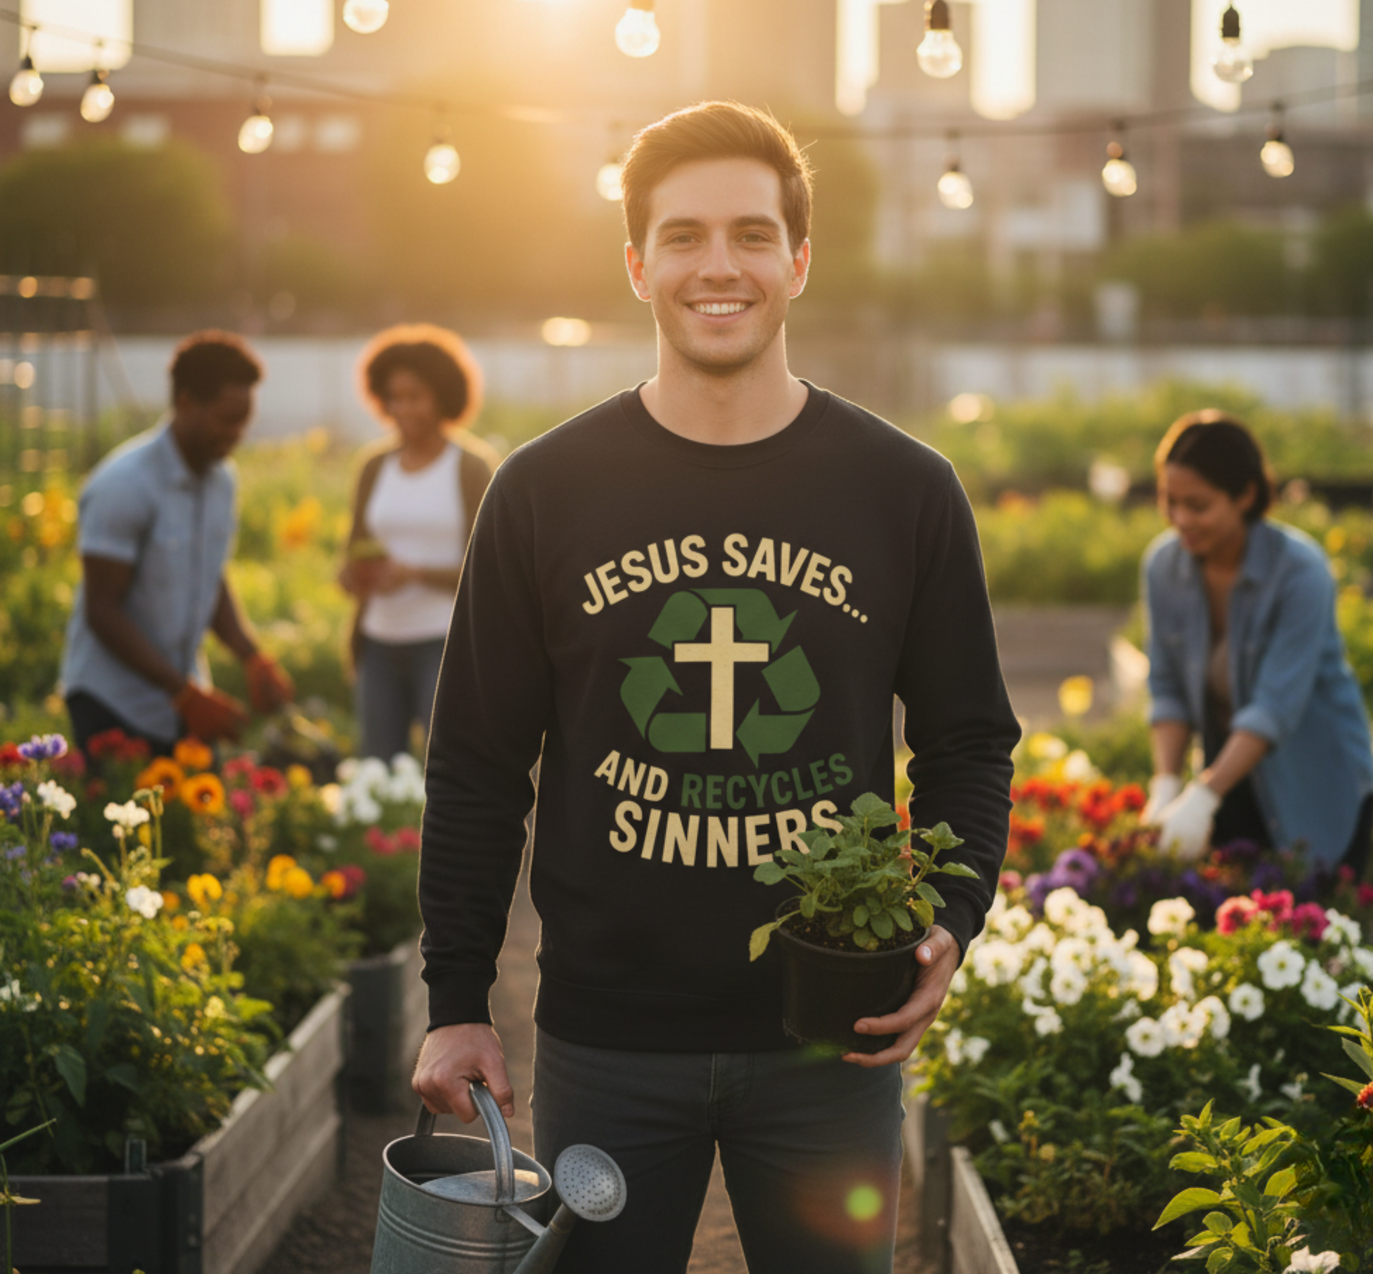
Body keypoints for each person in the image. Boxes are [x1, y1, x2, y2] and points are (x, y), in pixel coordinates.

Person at [412, 102, 1019, 1273]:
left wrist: (949, 920)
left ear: (798, 258)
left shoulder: (904, 490)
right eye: (682, 236)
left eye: (750, 232)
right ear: (636, 264)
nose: (717, 265)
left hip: (827, 1044)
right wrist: (456, 994)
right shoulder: (543, 492)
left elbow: (966, 738)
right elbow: (478, 762)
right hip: (608, 1034)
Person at [1141, 411, 1373, 872]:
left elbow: (1275, 707)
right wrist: (1167, 785)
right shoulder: (1164, 567)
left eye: (1199, 505)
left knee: (1314, 929)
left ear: (1245, 495)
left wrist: (1204, 794)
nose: (1180, 518)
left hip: (1315, 783)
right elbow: (1167, 687)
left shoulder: (1299, 572)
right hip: (1229, 781)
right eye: (1171, 501)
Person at [61, 331, 293, 759]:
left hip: (177, 694)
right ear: (186, 402)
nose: (237, 434)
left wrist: (251, 657)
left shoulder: (220, 479)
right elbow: (102, 610)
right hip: (111, 700)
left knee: (185, 823)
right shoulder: (125, 485)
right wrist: (185, 696)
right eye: (227, 419)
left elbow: (208, 576)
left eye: (245, 420)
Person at [340, 325, 497, 761]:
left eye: (415, 397)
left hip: (445, 644)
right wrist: (355, 575)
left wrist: (417, 574)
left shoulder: (470, 468)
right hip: (379, 641)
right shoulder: (374, 466)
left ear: (443, 398)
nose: (401, 408)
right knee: (378, 770)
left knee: (446, 765)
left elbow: (489, 571)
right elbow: (354, 549)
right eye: (394, 397)